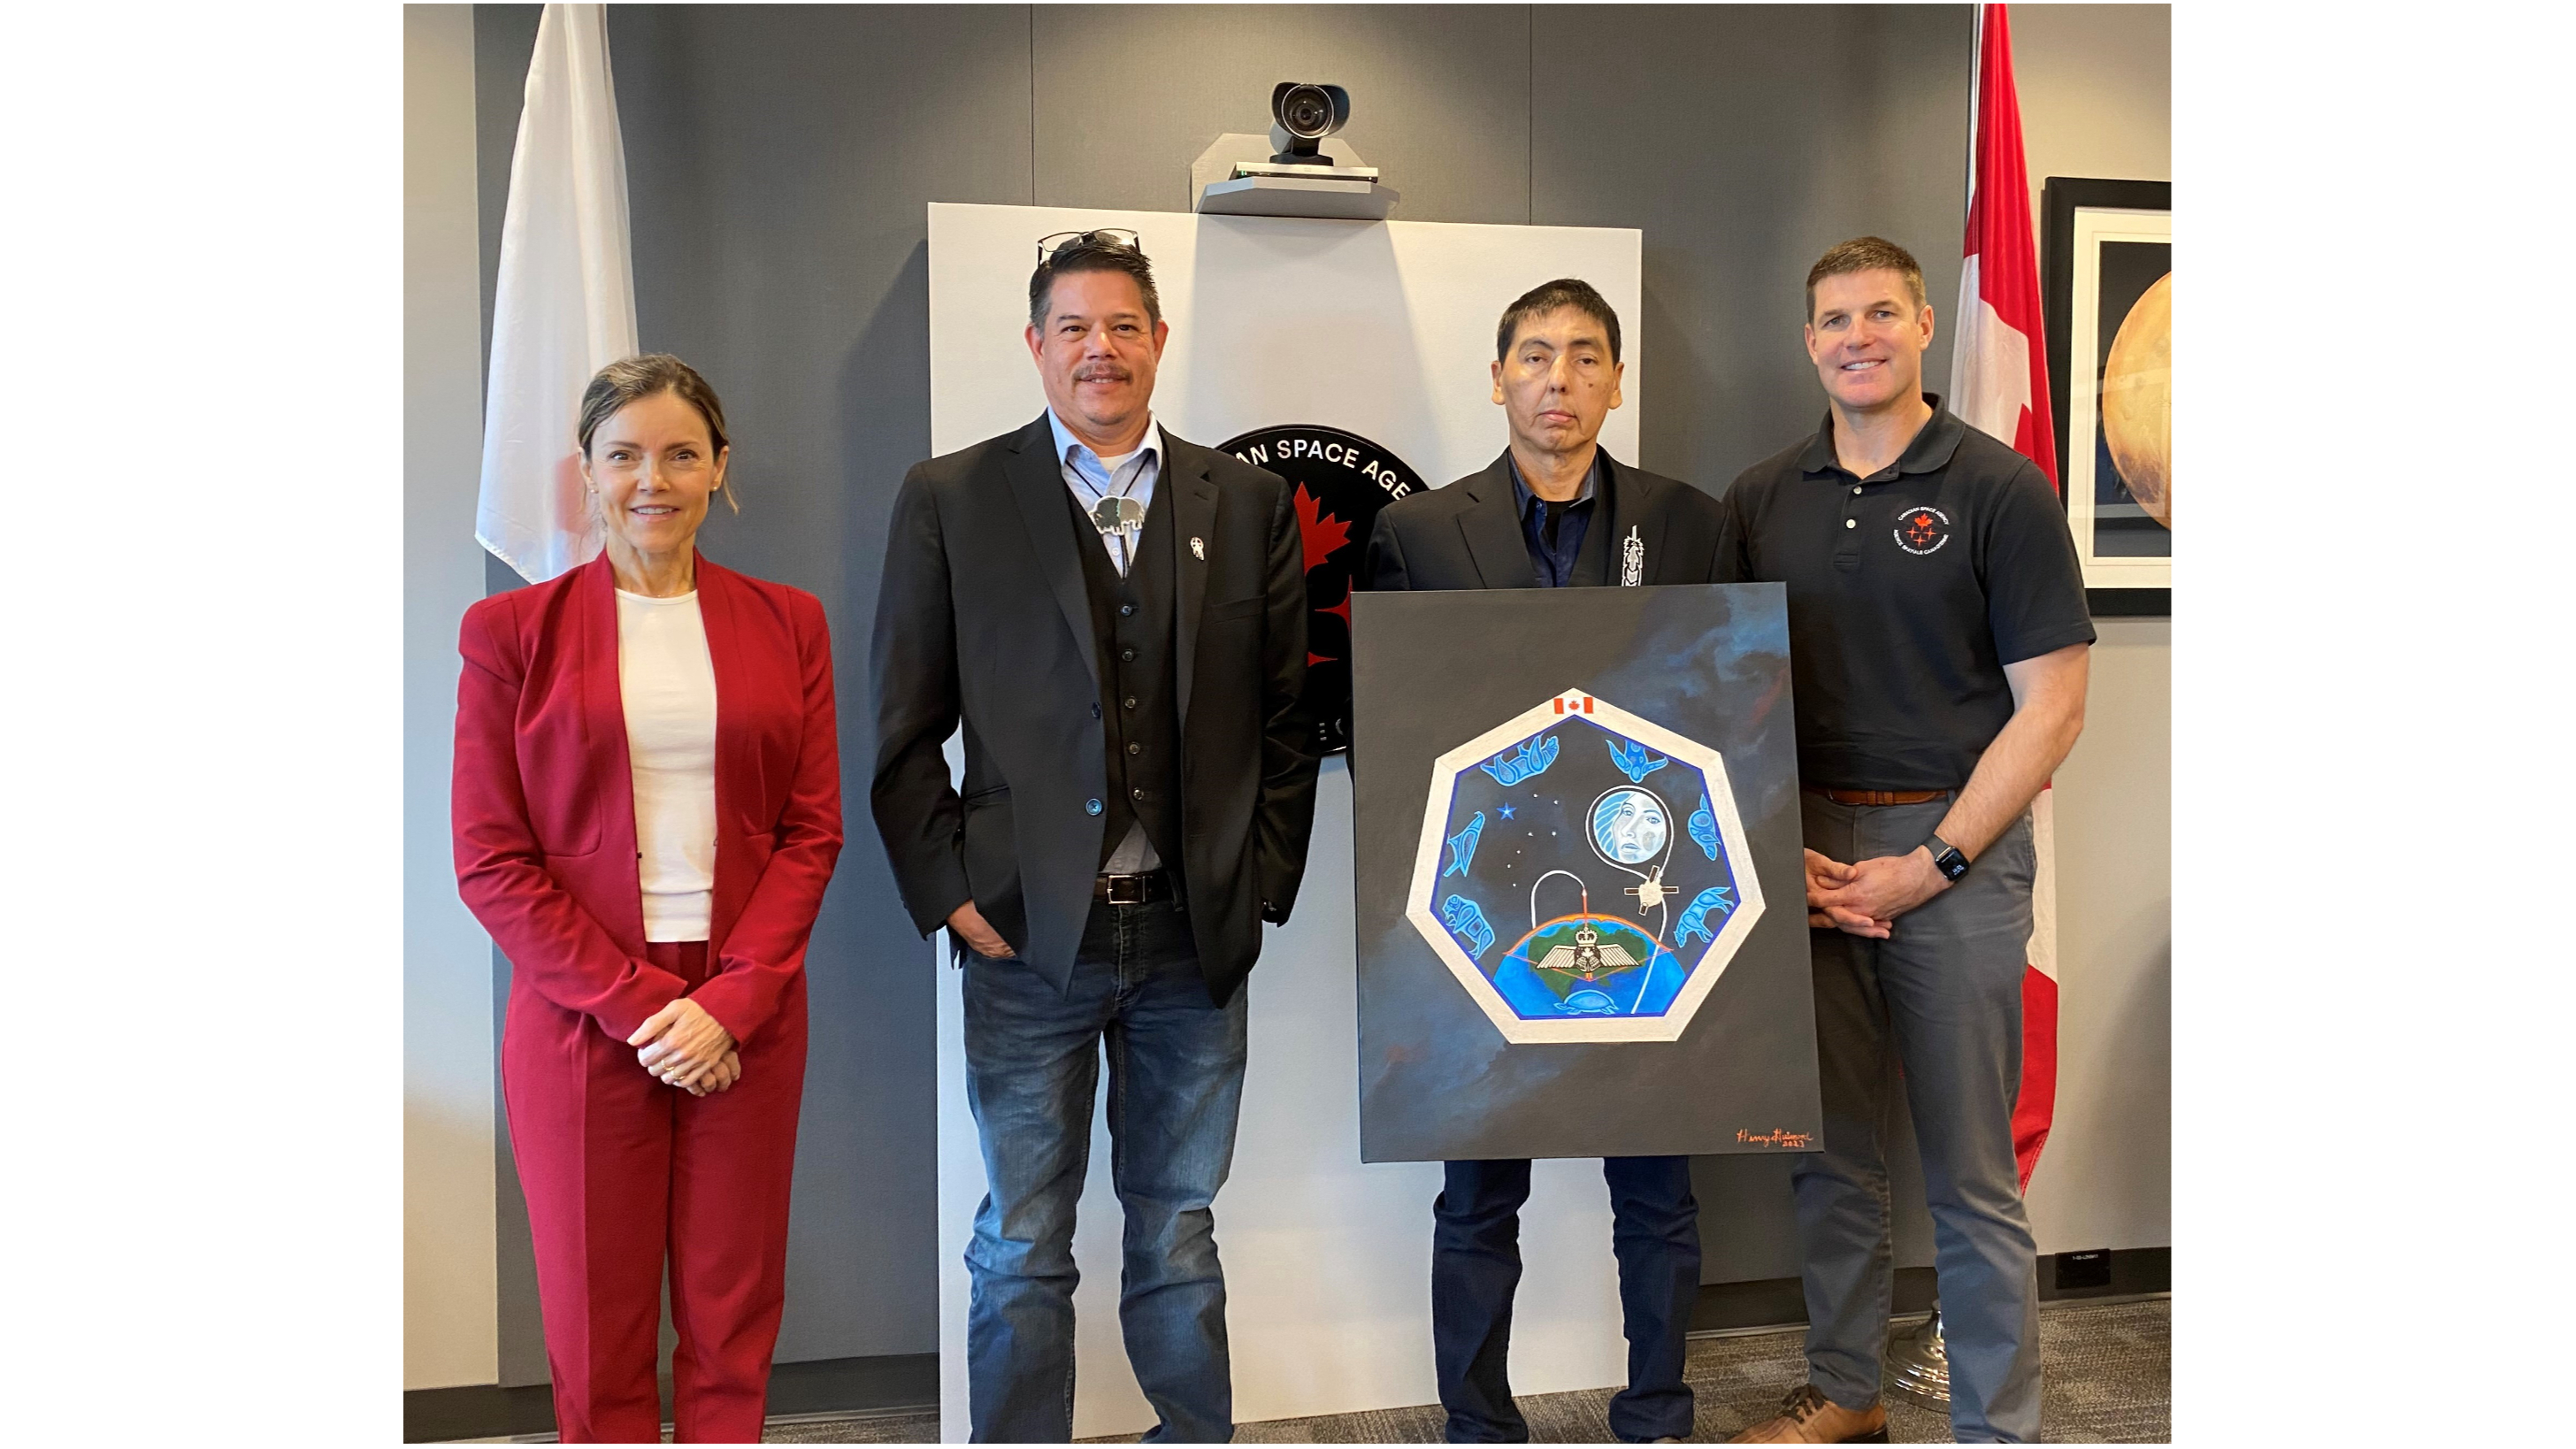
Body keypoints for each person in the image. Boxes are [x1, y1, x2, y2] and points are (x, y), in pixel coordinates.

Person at [870, 230, 1322, 1443]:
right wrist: (952, 891)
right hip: (1025, 943)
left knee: (1178, 1228)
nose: (1099, 349)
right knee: (1022, 1236)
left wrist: (1261, 883)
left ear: (1160, 341)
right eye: (1073, 327)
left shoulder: (1250, 503)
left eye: (1124, 325)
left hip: (1192, 940)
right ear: (1034, 345)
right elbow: (905, 727)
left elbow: (1287, 717)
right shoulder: (952, 498)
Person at [1717, 238, 2091, 1445]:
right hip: (1808, 856)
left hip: (1957, 851)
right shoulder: (1761, 496)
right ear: (1808, 339)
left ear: (1926, 324)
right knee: (1825, 1153)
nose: (1857, 335)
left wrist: (1932, 862)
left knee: (1973, 1177)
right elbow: (1719, 694)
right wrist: (1787, 853)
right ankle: (1849, 1391)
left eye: (1881, 312)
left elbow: (2055, 707)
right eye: (1834, 317)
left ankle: (1998, 1423)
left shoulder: (1998, 488)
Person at [1361, 278, 1728, 1445]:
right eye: (1533, 354)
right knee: (1476, 1194)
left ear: (1616, 381)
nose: (1557, 378)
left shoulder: (1688, 525)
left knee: (1658, 1191)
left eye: (1582, 357)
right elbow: (1387, 724)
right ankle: (1477, 1421)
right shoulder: (1418, 533)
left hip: (1650, 903)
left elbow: (1728, 699)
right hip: (1483, 904)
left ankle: (1657, 1413)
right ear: (1497, 376)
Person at [453, 355, 844, 1443]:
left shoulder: (789, 623)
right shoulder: (509, 637)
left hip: (742, 1009)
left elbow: (811, 831)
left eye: (680, 454)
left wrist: (730, 1001)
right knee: (594, 1327)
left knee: (733, 1315)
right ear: (586, 473)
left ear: (720, 469)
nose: (651, 480)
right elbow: (489, 857)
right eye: (623, 456)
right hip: (584, 1015)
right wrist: (636, 1005)